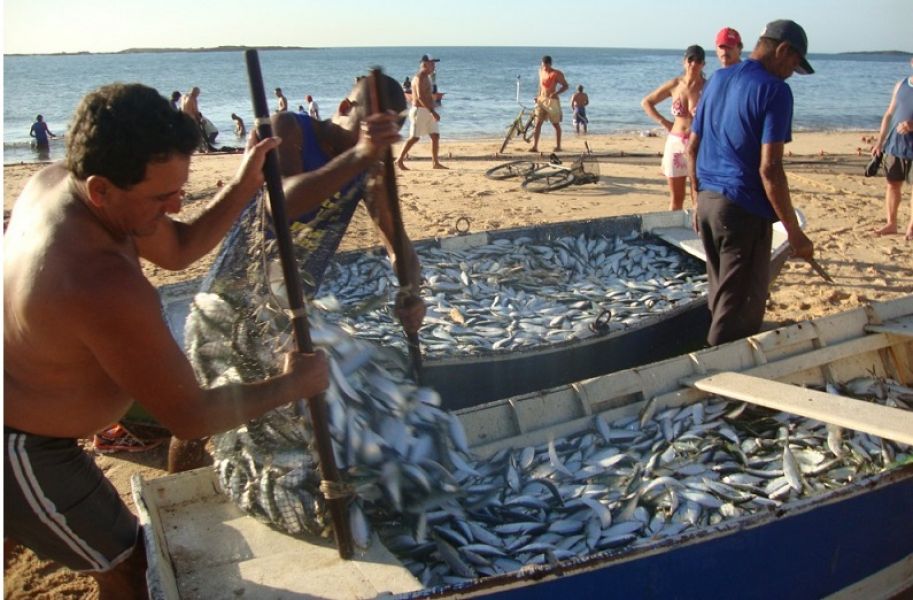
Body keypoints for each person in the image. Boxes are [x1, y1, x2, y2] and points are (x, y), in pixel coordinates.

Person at [3, 82, 400, 596]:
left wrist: (241, 186)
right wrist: (293, 384)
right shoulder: (99, 281)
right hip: (20, 446)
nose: (172, 207)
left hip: (34, 407)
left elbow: (179, 249)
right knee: (134, 567)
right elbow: (189, 418)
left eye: (179, 192)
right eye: (160, 198)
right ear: (101, 188)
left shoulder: (62, 184)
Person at [687, 20, 815, 346]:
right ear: (783, 50)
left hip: (708, 203)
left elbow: (692, 146)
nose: (790, 73)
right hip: (742, 212)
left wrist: (695, 199)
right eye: (793, 64)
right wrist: (795, 234)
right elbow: (770, 169)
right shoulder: (775, 90)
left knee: (722, 295)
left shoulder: (717, 79)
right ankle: (718, 379)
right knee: (739, 310)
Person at [641, 45, 707, 211]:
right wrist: (664, 122)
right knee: (676, 198)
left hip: (698, 143)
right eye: (691, 59)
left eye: (698, 60)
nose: (694, 64)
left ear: (703, 64)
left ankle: (698, 233)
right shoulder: (675, 85)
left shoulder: (708, 87)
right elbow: (647, 102)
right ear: (684, 62)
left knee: (697, 196)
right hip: (676, 142)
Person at [871, 56, 913, 240]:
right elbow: (889, 114)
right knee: (892, 184)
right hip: (895, 145)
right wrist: (880, 141)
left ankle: (911, 227)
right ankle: (891, 223)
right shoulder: (901, 84)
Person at [396, 54, 447, 170]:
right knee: (414, 138)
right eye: (432, 63)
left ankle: (435, 163)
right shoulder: (419, 78)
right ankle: (399, 160)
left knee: (435, 136)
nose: (434, 66)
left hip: (428, 110)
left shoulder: (427, 77)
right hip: (420, 111)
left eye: (434, 63)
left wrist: (432, 110)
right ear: (425, 64)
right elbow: (420, 97)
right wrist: (432, 111)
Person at [530, 55, 569, 153]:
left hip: (552, 101)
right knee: (538, 123)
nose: (544, 68)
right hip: (541, 100)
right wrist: (537, 96)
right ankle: (535, 146)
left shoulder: (556, 73)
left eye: (546, 66)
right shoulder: (541, 71)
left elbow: (566, 86)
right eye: (542, 65)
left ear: (550, 64)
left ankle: (558, 146)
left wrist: (556, 93)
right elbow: (540, 86)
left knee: (555, 124)